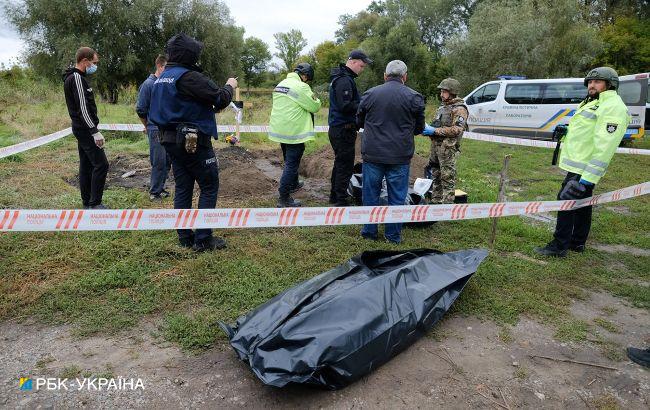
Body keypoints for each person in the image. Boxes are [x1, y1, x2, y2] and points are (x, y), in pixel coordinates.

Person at [149, 33, 237, 252]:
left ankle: (185, 236)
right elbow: (220, 98)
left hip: (170, 141)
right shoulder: (188, 77)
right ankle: (204, 238)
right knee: (209, 185)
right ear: (190, 54)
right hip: (193, 141)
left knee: (183, 186)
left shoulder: (162, 77)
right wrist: (230, 85)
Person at [535, 67, 630, 257]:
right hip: (579, 165)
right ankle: (577, 242)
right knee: (583, 203)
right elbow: (587, 131)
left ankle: (559, 246)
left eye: (597, 82)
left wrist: (587, 179)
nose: (592, 85)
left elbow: (605, 146)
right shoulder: (593, 102)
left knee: (565, 201)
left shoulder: (613, 106)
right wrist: (567, 130)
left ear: (609, 84)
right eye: (590, 82)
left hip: (586, 169)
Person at [356, 60, 425, 244]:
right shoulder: (414, 97)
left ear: (385, 76)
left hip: (373, 154)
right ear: (405, 77)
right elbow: (419, 128)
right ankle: (392, 236)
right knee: (397, 197)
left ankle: (369, 232)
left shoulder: (370, 94)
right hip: (400, 156)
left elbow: (359, 122)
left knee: (370, 193)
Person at [268, 63, 321, 207]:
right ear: (304, 75)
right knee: (291, 164)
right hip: (294, 132)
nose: (306, 81)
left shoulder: (280, 84)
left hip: (280, 130)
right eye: (307, 78)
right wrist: (317, 100)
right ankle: (284, 198)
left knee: (288, 160)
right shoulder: (301, 86)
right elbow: (314, 106)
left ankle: (294, 183)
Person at [63, 46, 109, 209]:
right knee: (101, 164)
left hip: (82, 128)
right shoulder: (76, 78)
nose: (95, 66)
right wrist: (94, 131)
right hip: (84, 129)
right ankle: (95, 203)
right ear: (85, 60)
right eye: (94, 63)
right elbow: (83, 108)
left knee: (87, 164)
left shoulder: (77, 77)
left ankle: (87, 201)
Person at [328, 49, 372, 206]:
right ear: (352, 61)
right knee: (345, 165)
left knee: (340, 163)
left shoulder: (343, 78)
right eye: (361, 65)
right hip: (343, 129)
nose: (362, 69)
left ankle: (335, 196)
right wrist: (364, 104)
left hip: (340, 128)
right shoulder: (344, 80)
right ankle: (340, 200)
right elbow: (345, 105)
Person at [423, 78, 468, 204]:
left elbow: (457, 129)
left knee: (447, 178)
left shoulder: (459, 109)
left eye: (444, 92)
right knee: (436, 175)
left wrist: (435, 131)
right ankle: (436, 202)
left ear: (452, 92)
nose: (441, 94)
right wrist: (428, 129)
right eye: (441, 91)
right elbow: (436, 125)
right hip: (436, 148)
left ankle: (447, 207)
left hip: (447, 149)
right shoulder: (442, 108)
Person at [136, 54, 171, 201]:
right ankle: (154, 192)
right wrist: (147, 125)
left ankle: (161, 187)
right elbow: (141, 109)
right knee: (158, 161)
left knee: (167, 160)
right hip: (155, 129)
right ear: (160, 66)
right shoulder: (148, 84)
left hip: (167, 129)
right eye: (167, 68)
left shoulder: (165, 84)